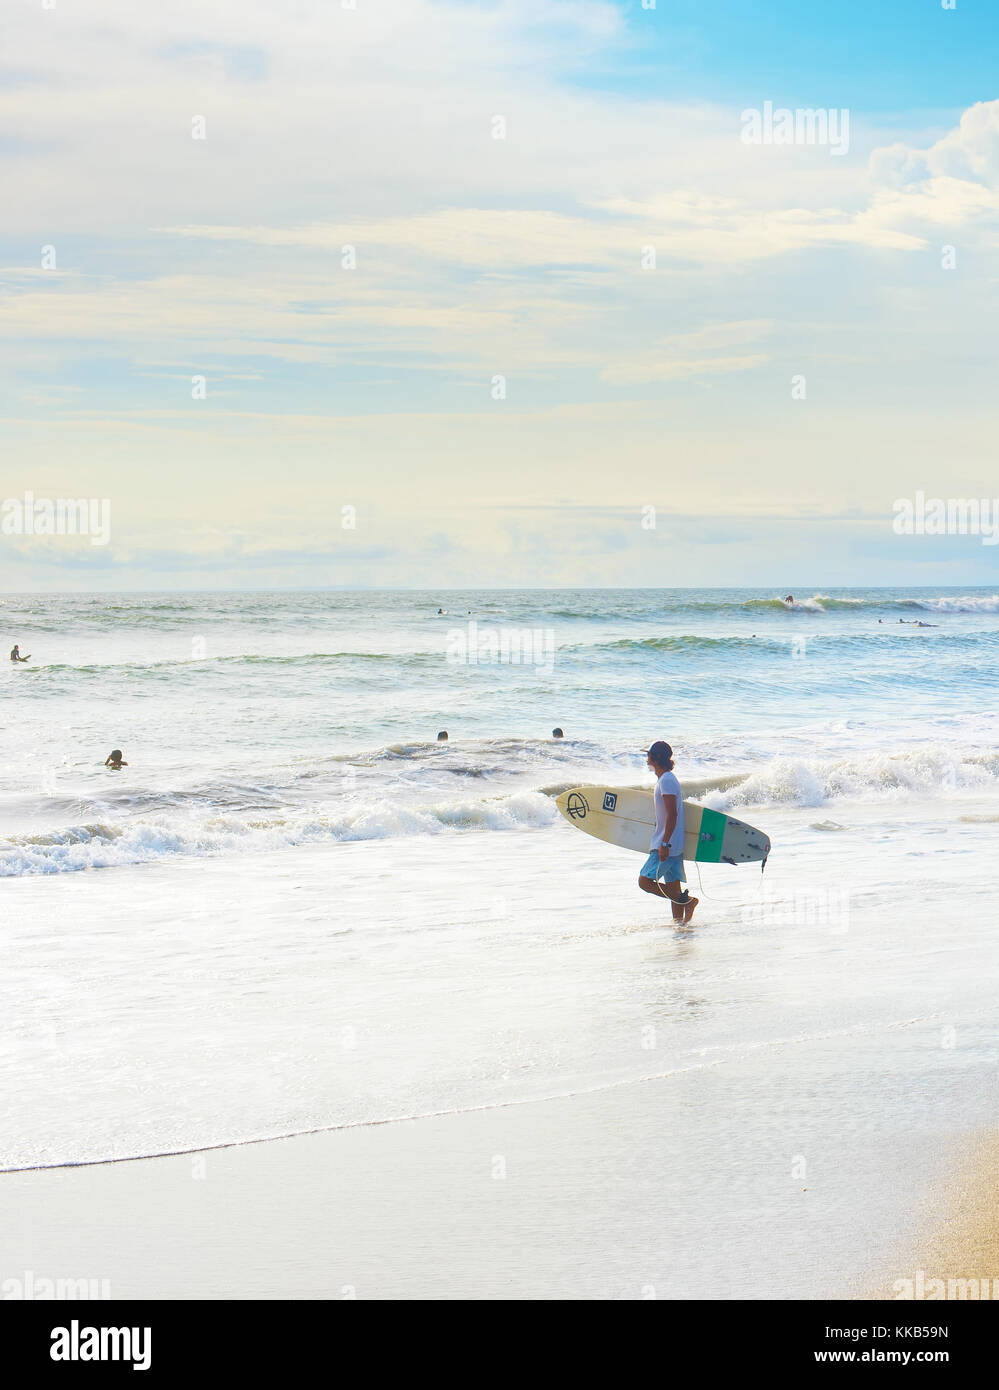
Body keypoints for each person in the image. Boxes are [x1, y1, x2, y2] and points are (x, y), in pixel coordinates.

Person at [638, 740, 698, 925]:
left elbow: (673, 814)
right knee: (673, 886)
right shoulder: (666, 779)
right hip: (672, 843)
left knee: (645, 882)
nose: (646, 758)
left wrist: (664, 843)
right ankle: (679, 926)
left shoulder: (667, 780)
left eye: (648, 755)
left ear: (655, 758)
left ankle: (688, 901)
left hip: (667, 845)